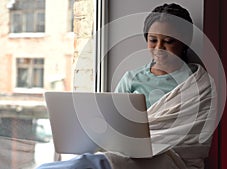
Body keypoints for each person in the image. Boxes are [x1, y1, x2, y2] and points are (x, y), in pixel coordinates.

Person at [37, 3, 216, 169]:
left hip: (172, 158)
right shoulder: (132, 79)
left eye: (168, 41)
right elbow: (114, 126)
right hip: (129, 154)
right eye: (153, 40)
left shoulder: (199, 84)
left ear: (184, 41)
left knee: (89, 165)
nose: (159, 48)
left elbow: (193, 141)